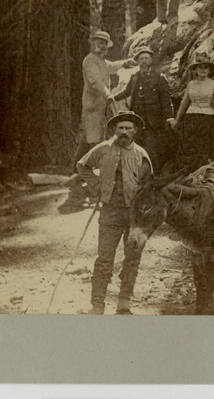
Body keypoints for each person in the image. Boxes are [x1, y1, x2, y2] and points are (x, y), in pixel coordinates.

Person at [76, 111, 152, 315]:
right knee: (104, 258)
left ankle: (124, 301)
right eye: (121, 128)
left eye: (128, 128)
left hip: (133, 216)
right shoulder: (103, 149)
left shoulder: (141, 155)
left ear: (135, 131)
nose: (124, 132)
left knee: (132, 258)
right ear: (115, 130)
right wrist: (96, 187)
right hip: (109, 213)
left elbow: (148, 186)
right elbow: (82, 166)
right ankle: (97, 304)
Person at [60, 31, 136, 214]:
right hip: (93, 105)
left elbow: (110, 67)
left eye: (104, 43)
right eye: (98, 42)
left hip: (101, 105)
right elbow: (95, 81)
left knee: (88, 138)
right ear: (92, 43)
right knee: (94, 139)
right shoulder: (89, 61)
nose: (101, 46)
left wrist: (124, 63)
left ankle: (76, 171)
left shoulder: (101, 60)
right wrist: (107, 93)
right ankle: (94, 177)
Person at [171, 53, 214, 174]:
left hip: (208, 120)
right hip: (190, 120)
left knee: (207, 149)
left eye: (206, 67)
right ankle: (189, 175)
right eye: (200, 67)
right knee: (189, 148)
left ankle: (205, 175)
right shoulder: (191, 84)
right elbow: (184, 103)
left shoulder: (213, 83)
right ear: (195, 70)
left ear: (209, 70)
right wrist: (177, 121)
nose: (203, 70)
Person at [119, 45, 175, 175]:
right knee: (135, 149)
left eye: (146, 58)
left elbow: (166, 100)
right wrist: (113, 97)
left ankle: (154, 179)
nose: (144, 61)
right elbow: (126, 92)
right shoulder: (134, 78)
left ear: (151, 61)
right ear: (137, 61)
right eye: (141, 58)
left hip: (152, 123)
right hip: (137, 122)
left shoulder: (159, 78)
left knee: (151, 151)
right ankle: (136, 177)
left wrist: (170, 117)